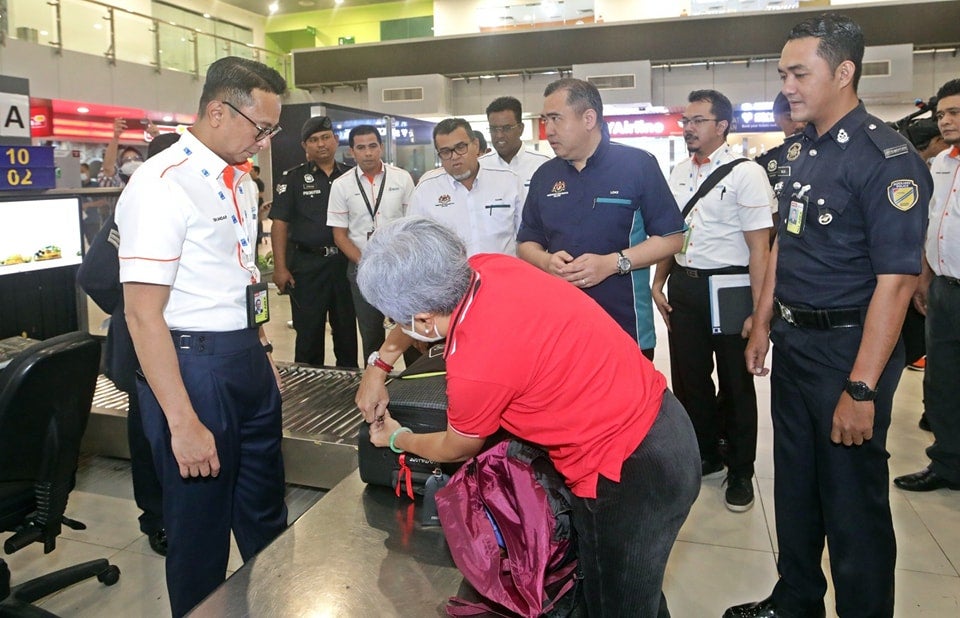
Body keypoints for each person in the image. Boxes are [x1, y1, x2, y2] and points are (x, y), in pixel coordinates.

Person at [356, 216, 700, 617]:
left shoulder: (476, 362)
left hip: (633, 472)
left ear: (424, 320)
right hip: (657, 423)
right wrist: (379, 366)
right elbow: (421, 310)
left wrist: (398, 438)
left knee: (617, 606)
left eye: (397, 319)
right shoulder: (485, 268)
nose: (397, 327)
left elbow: (457, 445)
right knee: (627, 589)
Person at [726, 13, 932, 618]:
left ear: (843, 72)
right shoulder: (802, 152)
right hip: (794, 342)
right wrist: (763, 322)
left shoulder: (886, 159)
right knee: (795, 485)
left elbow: (896, 284)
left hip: (849, 349)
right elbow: (786, 246)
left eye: (798, 72)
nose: (786, 84)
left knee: (851, 501)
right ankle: (796, 599)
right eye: (783, 72)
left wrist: (862, 388)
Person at [116, 56, 289, 617]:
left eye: (271, 131)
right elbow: (143, 316)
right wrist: (183, 422)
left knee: (266, 514)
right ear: (217, 110)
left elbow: (242, 276)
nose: (264, 142)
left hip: (244, 361)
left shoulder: (238, 178)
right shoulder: (162, 184)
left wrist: (262, 356)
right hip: (193, 370)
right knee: (200, 531)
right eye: (260, 128)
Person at [653, 89, 773, 511]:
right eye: (686, 120)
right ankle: (705, 452)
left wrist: (760, 315)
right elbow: (673, 235)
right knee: (690, 379)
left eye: (698, 120)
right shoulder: (679, 172)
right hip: (685, 286)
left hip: (731, 288)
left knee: (737, 382)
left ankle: (740, 468)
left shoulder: (746, 173)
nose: (688, 128)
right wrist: (659, 281)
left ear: (722, 125)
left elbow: (761, 250)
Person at [517, 78, 685, 358]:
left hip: (626, 329)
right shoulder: (545, 176)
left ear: (588, 118)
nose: (550, 130)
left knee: (629, 402)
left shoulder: (637, 165)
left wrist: (612, 263)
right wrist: (546, 261)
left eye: (557, 119)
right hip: (562, 331)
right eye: (546, 120)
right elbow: (526, 243)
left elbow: (673, 238)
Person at [76, 131, 181, 560]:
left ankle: (181, 509)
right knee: (149, 433)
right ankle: (155, 517)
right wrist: (133, 310)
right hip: (144, 342)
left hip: (186, 340)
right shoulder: (136, 208)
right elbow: (96, 274)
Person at [893, 78, 960, 493]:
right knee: (942, 384)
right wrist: (923, 274)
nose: (946, 121)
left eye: (954, 112)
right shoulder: (941, 164)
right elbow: (930, 225)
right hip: (944, 290)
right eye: (941, 115)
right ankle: (948, 464)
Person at [271, 115, 359, 367]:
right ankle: (308, 393)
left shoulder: (352, 177)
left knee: (346, 333)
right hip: (307, 266)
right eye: (313, 140)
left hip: (344, 265)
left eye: (325, 138)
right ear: (304, 146)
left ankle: (349, 390)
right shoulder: (293, 178)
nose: (320, 144)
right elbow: (279, 224)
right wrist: (280, 268)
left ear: (336, 140)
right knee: (308, 334)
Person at [327, 124, 415, 363]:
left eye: (373, 146)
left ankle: (417, 387)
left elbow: (412, 225)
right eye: (361, 147)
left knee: (411, 329)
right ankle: (377, 388)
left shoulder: (402, 178)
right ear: (351, 152)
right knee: (371, 334)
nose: (368, 153)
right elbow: (340, 236)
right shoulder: (341, 185)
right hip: (361, 269)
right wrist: (365, 263)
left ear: (381, 147)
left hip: (401, 268)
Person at [409, 117, 524, 256]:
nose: (455, 156)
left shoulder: (509, 181)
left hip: (502, 275)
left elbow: (526, 238)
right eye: (446, 152)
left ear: (475, 145)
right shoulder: (425, 191)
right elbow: (413, 245)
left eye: (460, 147)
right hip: (451, 277)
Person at [479, 95, 551, 201]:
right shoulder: (480, 167)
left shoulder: (542, 165)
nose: (499, 135)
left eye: (506, 128)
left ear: (520, 129)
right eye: (494, 129)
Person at [756, 92, 806, 191]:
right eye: (790, 118)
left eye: (805, 118)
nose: (800, 125)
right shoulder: (764, 164)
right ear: (776, 118)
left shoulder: (827, 156)